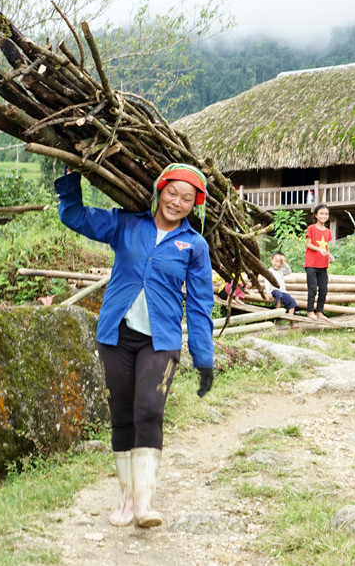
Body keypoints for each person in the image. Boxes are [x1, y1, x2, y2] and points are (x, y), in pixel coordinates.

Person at [55, 162, 215, 529]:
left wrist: (204, 358)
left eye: (186, 198)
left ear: (195, 204)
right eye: (172, 193)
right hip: (117, 336)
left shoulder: (194, 245)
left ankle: (144, 502)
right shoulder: (126, 224)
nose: (177, 202)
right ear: (159, 191)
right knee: (122, 416)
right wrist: (70, 177)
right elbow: (76, 217)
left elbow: (201, 304)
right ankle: (125, 499)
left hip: (161, 341)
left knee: (148, 410)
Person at [304, 203, 334, 321]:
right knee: (312, 289)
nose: (324, 216)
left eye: (326, 214)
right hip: (311, 264)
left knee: (323, 289)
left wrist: (330, 255)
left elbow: (326, 247)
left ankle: (319, 312)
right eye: (321, 213)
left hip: (323, 265)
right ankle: (310, 311)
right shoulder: (311, 228)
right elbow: (308, 244)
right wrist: (319, 249)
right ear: (316, 215)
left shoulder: (327, 231)